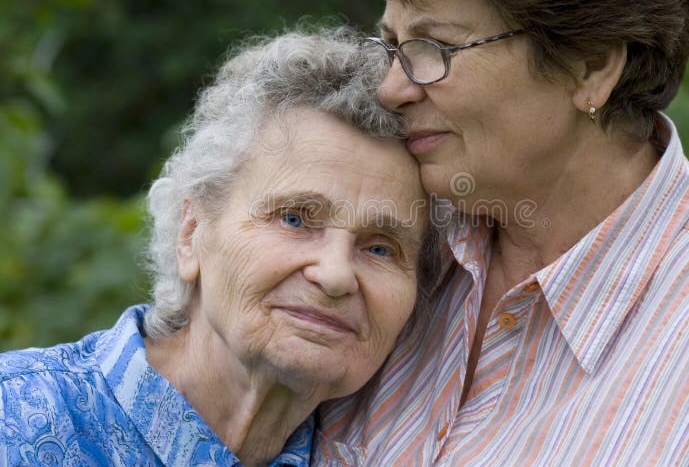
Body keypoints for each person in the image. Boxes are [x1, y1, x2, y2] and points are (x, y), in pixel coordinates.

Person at [315, 0, 689, 465]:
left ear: (591, 67)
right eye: (392, 46)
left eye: (435, 48)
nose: (391, 89)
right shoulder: (381, 244)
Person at [0, 28, 436, 466]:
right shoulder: (16, 419)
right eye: (294, 219)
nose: (336, 274)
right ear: (189, 234)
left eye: (381, 248)